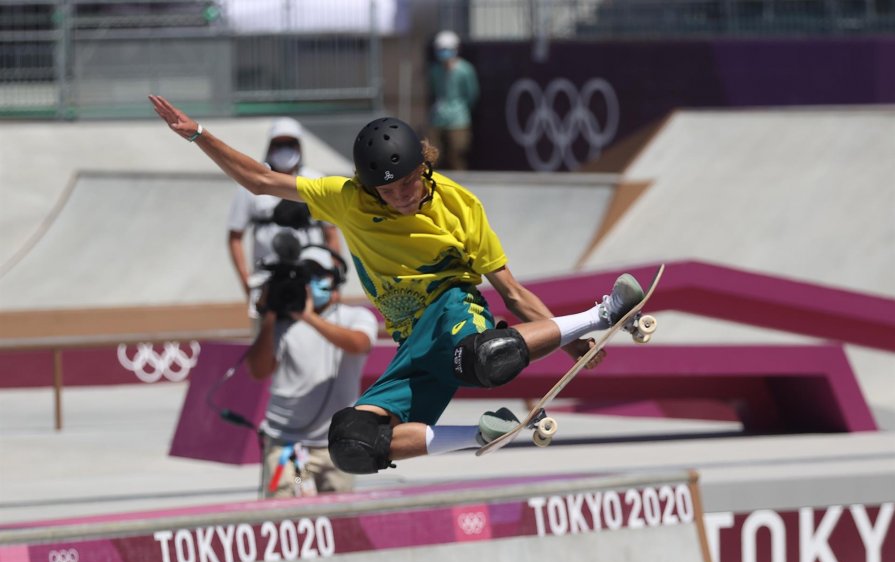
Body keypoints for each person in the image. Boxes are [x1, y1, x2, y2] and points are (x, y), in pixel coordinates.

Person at [149, 95, 646, 476]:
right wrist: (198, 135)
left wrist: (573, 336)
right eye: (387, 192)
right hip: (412, 344)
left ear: (424, 164)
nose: (402, 197)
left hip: (451, 310)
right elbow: (260, 180)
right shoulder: (345, 199)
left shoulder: (461, 207)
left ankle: (605, 311)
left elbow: (512, 292)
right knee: (352, 442)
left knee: (486, 359)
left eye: (408, 183)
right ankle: (480, 432)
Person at [246, 243, 379, 497]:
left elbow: (359, 345)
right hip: (290, 451)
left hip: (337, 448)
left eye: (320, 275)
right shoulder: (280, 324)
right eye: (306, 276)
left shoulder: (355, 317)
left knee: (338, 523)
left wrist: (309, 317)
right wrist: (270, 314)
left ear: (336, 279)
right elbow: (259, 370)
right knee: (289, 511)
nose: (312, 282)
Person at [227, 117, 343, 320]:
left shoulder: (316, 181)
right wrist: (246, 282)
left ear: (300, 146)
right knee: (268, 341)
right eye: (278, 144)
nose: (284, 149)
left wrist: (331, 279)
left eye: (290, 144)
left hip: (312, 278)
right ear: (269, 145)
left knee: (318, 336)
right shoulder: (251, 184)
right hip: (268, 280)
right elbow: (235, 236)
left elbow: (331, 234)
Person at [427, 30, 479, 170]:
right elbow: (433, 91)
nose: (444, 53)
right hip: (438, 117)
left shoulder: (465, 70)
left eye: (447, 49)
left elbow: (472, 94)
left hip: (458, 119)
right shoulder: (435, 70)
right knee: (432, 154)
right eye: (440, 49)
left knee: (458, 153)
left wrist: (461, 108)